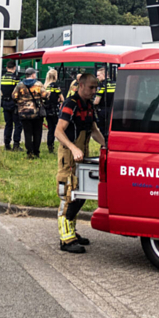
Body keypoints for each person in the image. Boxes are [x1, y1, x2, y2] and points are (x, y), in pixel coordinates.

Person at [54, 72, 106, 254]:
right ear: (81, 85)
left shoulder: (89, 106)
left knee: (79, 194)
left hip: (81, 157)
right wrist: (73, 148)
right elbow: (58, 131)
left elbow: (94, 130)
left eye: (96, 87)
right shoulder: (71, 104)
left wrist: (107, 146)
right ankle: (65, 239)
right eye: (91, 87)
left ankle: (72, 233)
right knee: (68, 195)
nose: (94, 91)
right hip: (69, 157)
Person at [12, 67, 48, 159]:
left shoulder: (20, 85)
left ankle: (29, 152)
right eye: (35, 74)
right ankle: (36, 152)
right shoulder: (38, 84)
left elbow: (14, 96)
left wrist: (21, 102)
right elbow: (45, 95)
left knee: (27, 133)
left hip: (24, 112)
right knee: (37, 133)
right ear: (32, 75)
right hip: (36, 113)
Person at [1, 62, 23, 151]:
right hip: (14, 104)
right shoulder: (15, 78)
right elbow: (19, 90)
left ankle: (7, 144)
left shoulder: (2, 77)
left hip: (5, 103)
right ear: (14, 67)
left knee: (8, 124)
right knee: (18, 124)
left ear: (7, 68)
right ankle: (16, 145)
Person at [43, 68, 62, 154]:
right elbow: (62, 98)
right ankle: (62, 145)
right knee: (58, 128)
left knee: (50, 129)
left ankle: (50, 146)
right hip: (54, 109)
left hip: (47, 109)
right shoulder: (55, 86)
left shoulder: (45, 86)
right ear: (55, 76)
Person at [93, 66, 115, 136]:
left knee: (103, 131)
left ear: (104, 75)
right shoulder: (115, 83)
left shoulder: (101, 85)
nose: (97, 77)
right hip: (113, 110)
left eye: (98, 75)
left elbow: (96, 101)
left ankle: (104, 143)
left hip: (103, 110)